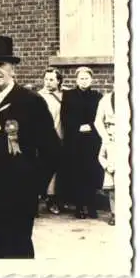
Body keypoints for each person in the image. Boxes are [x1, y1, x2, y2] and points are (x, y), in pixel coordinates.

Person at [0, 35, 61, 259]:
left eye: (1, 64)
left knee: (17, 252)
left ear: (13, 68)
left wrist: (35, 186)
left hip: (19, 194)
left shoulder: (30, 101)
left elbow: (53, 150)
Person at [60, 66, 103, 219]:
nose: (84, 81)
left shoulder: (97, 96)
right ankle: (79, 207)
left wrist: (90, 126)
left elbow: (99, 117)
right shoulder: (69, 96)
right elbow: (64, 116)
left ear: (91, 79)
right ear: (76, 80)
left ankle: (91, 206)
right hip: (75, 140)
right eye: (81, 78)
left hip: (91, 140)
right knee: (77, 173)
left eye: (86, 78)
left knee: (91, 172)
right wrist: (77, 126)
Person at [37, 67, 65, 214]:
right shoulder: (38, 96)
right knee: (46, 168)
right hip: (46, 138)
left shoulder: (64, 95)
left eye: (52, 80)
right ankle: (45, 198)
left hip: (62, 136)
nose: (48, 82)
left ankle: (56, 198)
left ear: (58, 81)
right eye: (46, 79)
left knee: (60, 169)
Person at [98, 120, 116, 226]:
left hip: (122, 171)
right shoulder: (106, 143)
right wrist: (107, 166)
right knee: (112, 194)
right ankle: (114, 214)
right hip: (110, 171)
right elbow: (101, 156)